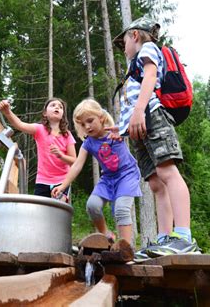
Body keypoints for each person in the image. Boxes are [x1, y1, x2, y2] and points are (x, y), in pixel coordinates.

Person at [110, 17, 200, 261]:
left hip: (152, 116)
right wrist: (120, 127)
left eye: (124, 41)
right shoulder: (132, 66)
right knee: (155, 183)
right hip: (139, 125)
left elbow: (150, 77)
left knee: (168, 172)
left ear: (135, 36)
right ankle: (164, 239)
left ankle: (183, 237)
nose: (123, 48)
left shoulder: (147, 48)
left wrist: (140, 111)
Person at [52, 99, 142, 244]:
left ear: (101, 118)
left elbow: (136, 130)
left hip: (127, 175)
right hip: (107, 178)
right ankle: (107, 235)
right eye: (82, 124)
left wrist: (123, 131)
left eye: (90, 120)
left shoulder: (115, 131)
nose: (87, 126)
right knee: (92, 206)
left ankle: (126, 247)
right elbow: (76, 165)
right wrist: (63, 186)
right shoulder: (89, 142)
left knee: (121, 209)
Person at [0, 98, 76, 201]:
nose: (57, 107)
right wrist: (7, 112)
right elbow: (20, 125)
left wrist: (61, 155)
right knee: (40, 211)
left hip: (62, 180)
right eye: (53, 105)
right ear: (45, 113)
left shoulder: (67, 135)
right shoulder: (39, 129)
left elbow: (74, 160)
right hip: (42, 180)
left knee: (58, 210)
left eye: (60, 107)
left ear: (62, 115)